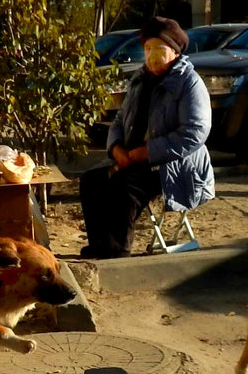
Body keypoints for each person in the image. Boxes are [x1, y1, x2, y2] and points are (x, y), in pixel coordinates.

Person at [78, 17, 215, 259]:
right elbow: (120, 120)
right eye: (147, 49)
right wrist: (116, 148)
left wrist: (149, 151)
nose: (152, 56)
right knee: (92, 181)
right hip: (134, 158)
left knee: (125, 185)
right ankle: (101, 244)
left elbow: (195, 132)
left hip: (174, 165)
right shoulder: (140, 79)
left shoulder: (189, 83)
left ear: (174, 51)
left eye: (159, 50)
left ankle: (117, 249)